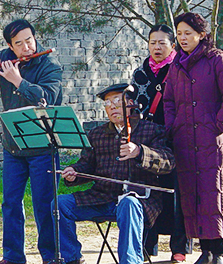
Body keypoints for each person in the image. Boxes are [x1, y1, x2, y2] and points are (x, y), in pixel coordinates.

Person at [0, 19, 63, 264]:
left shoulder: (49, 63)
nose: (26, 47)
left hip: (43, 145)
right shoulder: (5, 57)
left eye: (29, 40)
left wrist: (18, 80)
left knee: (45, 203)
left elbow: (48, 97)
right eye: (19, 44)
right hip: (12, 144)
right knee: (10, 203)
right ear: (10, 47)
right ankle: (12, 257)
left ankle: (51, 256)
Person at [56, 83, 175, 264]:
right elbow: (85, 165)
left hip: (139, 201)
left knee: (128, 203)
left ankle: (129, 262)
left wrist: (140, 152)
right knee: (60, 204)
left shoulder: (151, 130)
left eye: (117, 101)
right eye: (107, 103)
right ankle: (71, 258)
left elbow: (168, 162)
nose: (112, 107)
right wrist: (74, 172)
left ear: (131, 104)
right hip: (102, 197)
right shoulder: (97, 134)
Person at [163, 12, 223, 264]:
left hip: (213, 142)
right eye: (179, 34)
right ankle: (205, 250)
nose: (183, 38)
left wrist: (218, 126)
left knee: (215, 193)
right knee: (193, 196)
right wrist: (175, 127)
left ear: (201, 34)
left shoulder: (218, 60)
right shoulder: (176, 66)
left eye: (188, 33)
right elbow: (169, 102)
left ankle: (218, 250)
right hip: (185, 141)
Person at [131, 24, 192, 263]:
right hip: (148, 141)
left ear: (172, 45)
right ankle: (148, 244)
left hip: (177, 140)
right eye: (152, 43)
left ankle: (179, 247)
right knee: (147, 191)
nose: (156, 47)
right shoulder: (140, 73)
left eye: (162, 43)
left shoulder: (181, 70)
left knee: (177, 193)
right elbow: (135, 105)